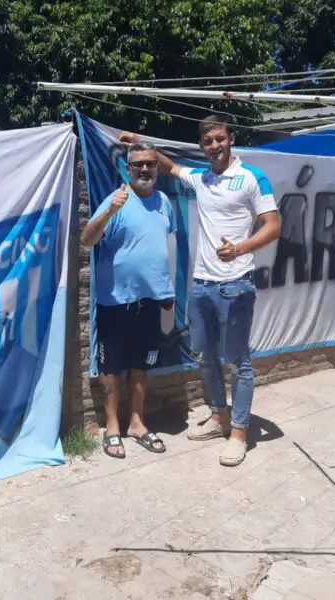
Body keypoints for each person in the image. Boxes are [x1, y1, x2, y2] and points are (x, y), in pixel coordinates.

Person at [119, 115, 281, 467]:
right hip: (202, 285)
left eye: (219, 139)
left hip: (236, 284)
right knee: (205, 357)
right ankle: (219, 415)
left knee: (237, 362)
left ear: (231, 139)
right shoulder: (202, 177)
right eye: (207, 142)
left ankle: (239, 432)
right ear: (203, 146)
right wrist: (138, 140)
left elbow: (273, 226)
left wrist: (239, 248)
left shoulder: (252, 177)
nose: (214, 146)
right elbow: (170, 166)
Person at [81, 142, 177, 459]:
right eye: (138, 165)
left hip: (150, 302)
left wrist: (167, 292)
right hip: (116, 303)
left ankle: (137, 423)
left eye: (150, 164)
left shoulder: (164, 202)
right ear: (128, 168)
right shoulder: (116, 201)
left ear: (156, 167)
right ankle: (112, 427)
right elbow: (87, 240)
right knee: (112, 369)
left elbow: (165, 249)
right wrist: (110, 210)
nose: (145, 170)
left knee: (140, 367)